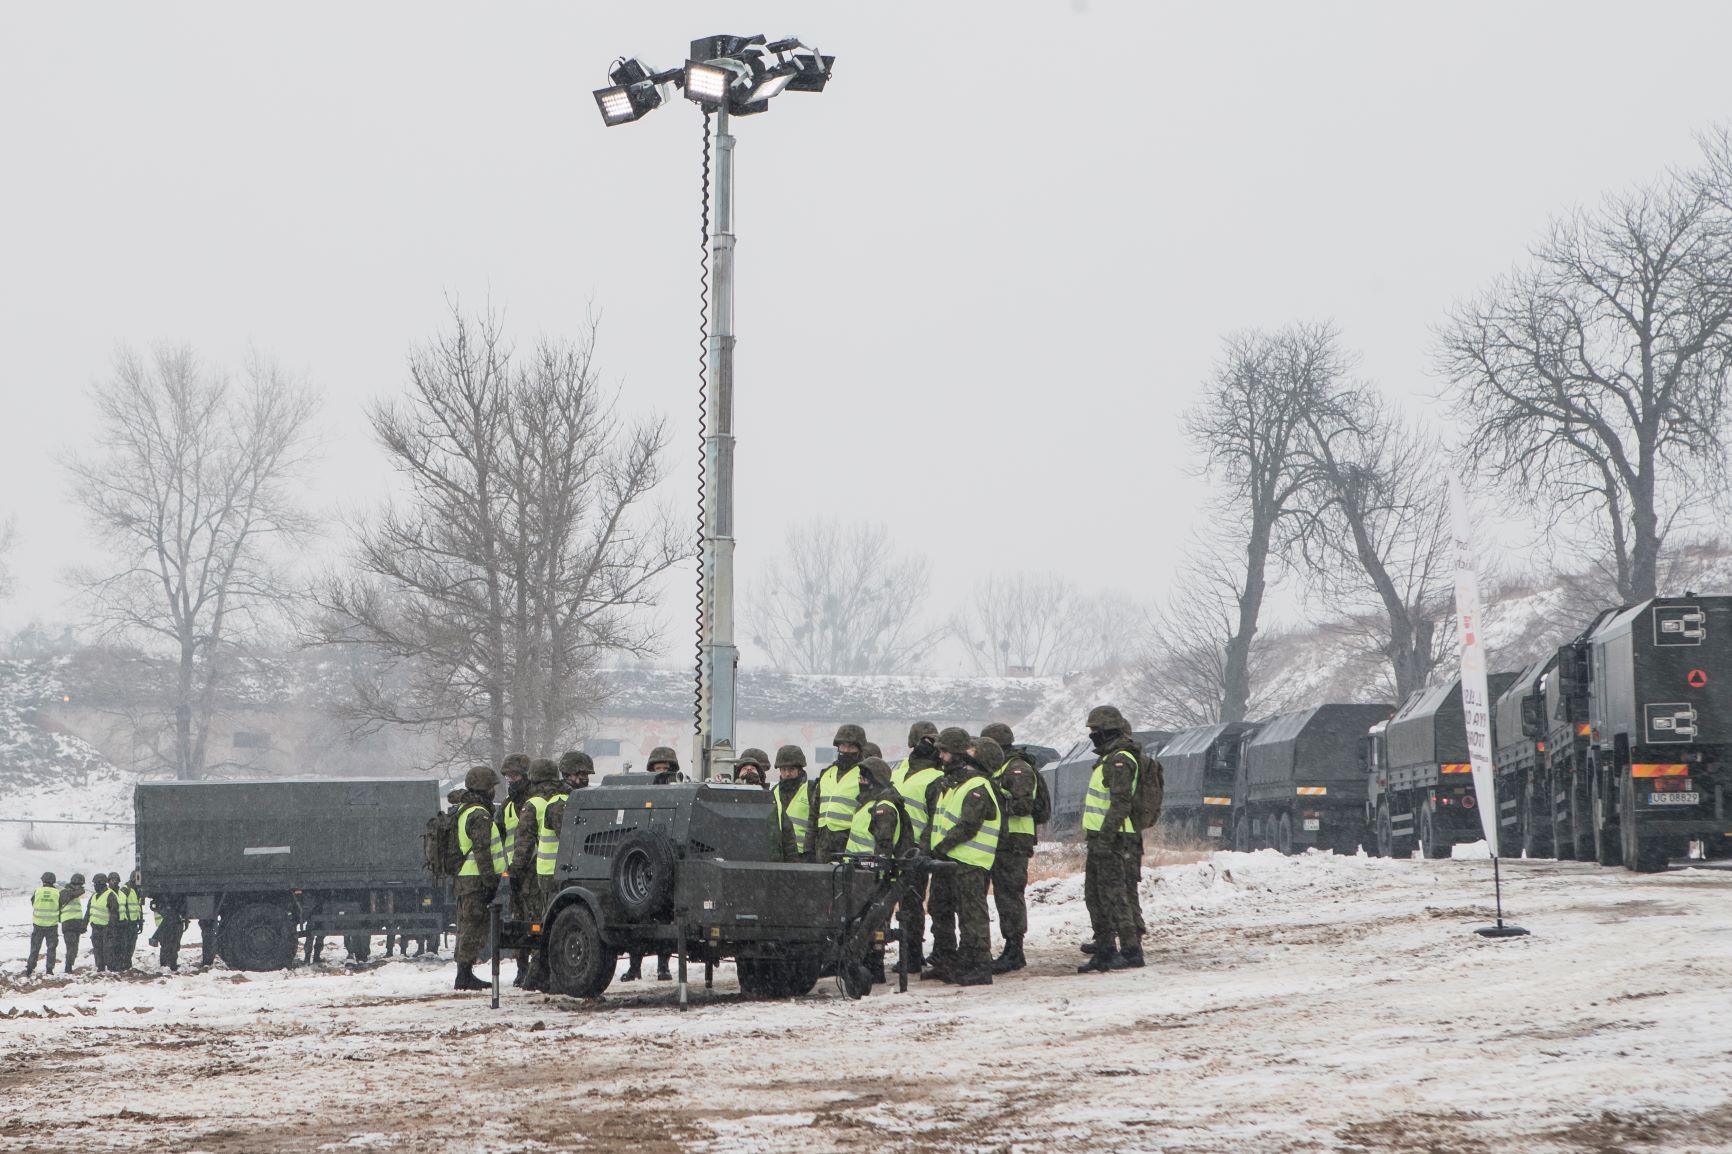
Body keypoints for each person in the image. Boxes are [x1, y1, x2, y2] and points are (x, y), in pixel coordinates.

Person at [928, 730, 1002, 987]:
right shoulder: (952, 785)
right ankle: (950, 962)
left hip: (969, 862)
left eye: (945, 751)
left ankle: (980, 966)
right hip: (949, 861)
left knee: (972, 915)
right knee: (941, 910)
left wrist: (940, 848)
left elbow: (968, 825)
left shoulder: (977, 786)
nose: (941, 756)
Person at [1077, 705, 1145, 972]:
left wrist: (1105, 839)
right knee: (1095, 896)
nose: (1092, 735)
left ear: (1108, 730)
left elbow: (1120, 804)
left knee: (1114, 896)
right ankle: (1105, 950)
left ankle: (1130, 950)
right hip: (1101, 838)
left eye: (1095, 730)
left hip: (1113, 839)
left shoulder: (1120, 760)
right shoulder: (1108, 758)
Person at [844, 756, 908, 985]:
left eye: (864, 778)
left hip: (871, 876)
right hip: (859, 873)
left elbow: (883, 845)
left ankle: (874, 966)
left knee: (873, 925)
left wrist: (877, 872)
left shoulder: (883, 808)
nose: (860, 781)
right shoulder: (869, 803)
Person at [982, 722, 1038, 973]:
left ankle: (1015, 950)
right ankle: (1011, 948)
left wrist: (993, 802)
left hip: (1014, 841)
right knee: (1004, 896)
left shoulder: (1017, 769)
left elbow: (1023, 805)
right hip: (1003, 841)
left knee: (1010, 896)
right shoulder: (1001, 768)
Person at [622, 747, 681, 982]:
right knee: (638, 920)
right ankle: (634, 967)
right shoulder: (642, 793)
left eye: (667, 769)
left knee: (665, 918)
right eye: (658, 768)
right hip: (642, 864)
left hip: (668, 866)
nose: (662, 772)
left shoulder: (679, 794)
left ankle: (663, 967)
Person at [891, 721, 944, 972]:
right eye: (924, 740)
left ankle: (912, 956)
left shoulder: (937, 776)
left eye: (932, 741)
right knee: (895, 904)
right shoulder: (900, 769)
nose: (927, 745)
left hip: (914, 848)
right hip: (892, 846)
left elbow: (935, 819)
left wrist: (923, 849)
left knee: (912, 905)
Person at [513, 757, 566, 990]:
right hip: (567, 871)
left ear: (532, 778)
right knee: (558, 923)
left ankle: (538, 976)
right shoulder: (566, 797)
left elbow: (523, 845)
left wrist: (513, 871)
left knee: (540, 924)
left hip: (541, 873)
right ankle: (546, 974)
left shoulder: (532, 804)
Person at [453, 765, 506, 992]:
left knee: (466, 925)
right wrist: (490, 882)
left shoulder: (464, 810)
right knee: (473, 926)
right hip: (475, 879)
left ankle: (464, 973)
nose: (494, 791)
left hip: (466, 879)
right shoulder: (479, 815)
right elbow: (483, 853)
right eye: (492, 787)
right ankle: (464, 975)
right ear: (485, 788)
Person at [814, 724, 868, 861]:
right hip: (823, 843)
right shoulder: (827, 773)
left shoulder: (865, 775)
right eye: (843, 746)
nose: (846, 750)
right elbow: (814, 813)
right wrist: (810, 847)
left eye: (851, 747)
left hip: (848, 842)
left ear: (859, 749)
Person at [769, 745, 815, 863]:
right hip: (779, 854)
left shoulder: (811, 789)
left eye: (791, 769)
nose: (787, 774)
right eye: (784, 769)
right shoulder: (773, 791)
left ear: (799, 770)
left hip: (802, 855)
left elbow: (815, 824)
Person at [26, 871, 59, 977]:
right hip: (52, 925)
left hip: (38, 924)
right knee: (51, 948)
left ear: (43, 880)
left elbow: (33, 903)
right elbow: (60, 905)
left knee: (35, 948)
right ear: (53, 881)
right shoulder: (57, 893)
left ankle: (30, 968)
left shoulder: (37, 891)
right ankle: (49, 970)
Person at [85, 874, 119, 973]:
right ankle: (100, 968)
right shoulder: (94, 896)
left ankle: (111, 968)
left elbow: (114, 913)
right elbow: (88, 911)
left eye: (96, 884)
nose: (95, 886)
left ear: (101, 884)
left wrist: (110, 927)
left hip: (106, 928)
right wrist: (84, 924)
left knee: (108, 949)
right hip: (96, 927)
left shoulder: (110, 895)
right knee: (97, 948)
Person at [114, 871, 144, 972]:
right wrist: (124, 919)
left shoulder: (137, 890)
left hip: (134, 923)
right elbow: (121, 905)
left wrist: (140, 921)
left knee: (131, 945)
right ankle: (123, 964)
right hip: (127, 924)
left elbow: (138, 907)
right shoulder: (126, 889)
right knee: (125, 945)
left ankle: (127, 964)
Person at [58, 873, 87, 974]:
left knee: (74, 948)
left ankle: (69, 966)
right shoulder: (65, 892)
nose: (80, 887)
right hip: (68, 923)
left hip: (76, 923)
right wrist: (79, 891)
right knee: (71, 947)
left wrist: (82, 924)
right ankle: (68, 968)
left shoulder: (76, 894)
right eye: (79, 884)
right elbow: (67, 897)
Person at [150, 897, 187, 972]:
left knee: (172, 944)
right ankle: (166, 965)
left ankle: (171, 964)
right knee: (168, 944)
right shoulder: (165, 904)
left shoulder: (165, 903)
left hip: (170, 923)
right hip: (167, 924)